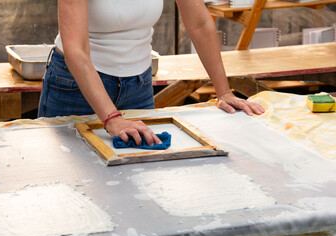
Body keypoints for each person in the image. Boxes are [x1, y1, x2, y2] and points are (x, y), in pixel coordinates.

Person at [38, 0, 264, 147]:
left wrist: (224, 92)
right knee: (68, 181)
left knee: (139, 178)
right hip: (75, 87)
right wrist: (111, 118)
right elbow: (76, 51)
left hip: (138, 85)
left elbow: (200, 23)